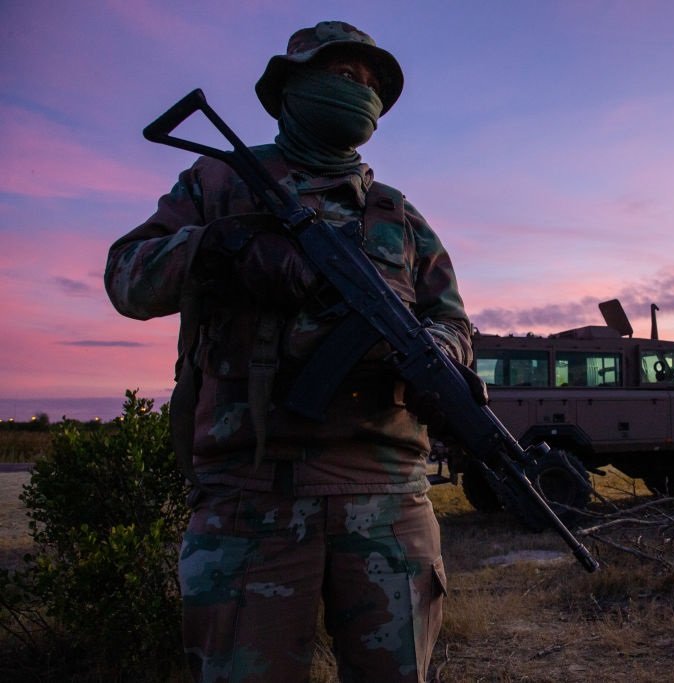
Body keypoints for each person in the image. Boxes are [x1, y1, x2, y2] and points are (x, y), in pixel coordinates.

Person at [105, 21, 472, 682]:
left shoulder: (402, 219)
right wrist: (220, 248)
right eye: (340, 75)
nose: (356, 90)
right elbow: (126, 277)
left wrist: (430, 359)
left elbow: (453, 325)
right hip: (252, 500)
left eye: (368, 84)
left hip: (390, 500)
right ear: (289, 87)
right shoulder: (219, 183)